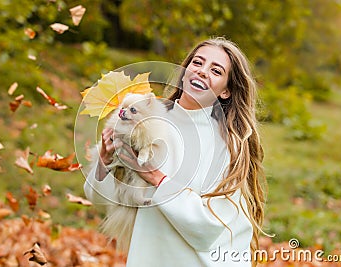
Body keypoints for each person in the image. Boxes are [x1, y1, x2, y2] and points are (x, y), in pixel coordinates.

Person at [84, 37, 266, 267]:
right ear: (185, 70)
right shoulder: (142, 122)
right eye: (197, 62)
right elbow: (100, 200)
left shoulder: (227, 145)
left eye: (216, 71)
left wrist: (156, 178)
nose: (202, 71)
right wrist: (105, 160)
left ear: (226, 91)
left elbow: (210, 228)